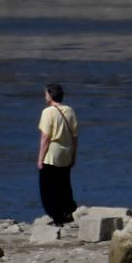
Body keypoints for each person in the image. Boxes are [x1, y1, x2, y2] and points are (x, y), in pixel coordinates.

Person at [36, 82, 78, 225]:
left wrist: (40, 158)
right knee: (64, 185)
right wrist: (73, 155)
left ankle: (56, 217)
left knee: (48, 189)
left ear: (50, 95)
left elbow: (45, 137)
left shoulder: (48, 112)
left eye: (46, 94)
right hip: (66, 153)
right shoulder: (70, 110)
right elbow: (74, 136)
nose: (45, 96)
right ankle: (67, 212)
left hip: (52, 155)